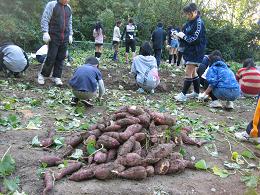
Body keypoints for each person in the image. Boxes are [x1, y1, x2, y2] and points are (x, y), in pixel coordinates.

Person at [174, 3, 206, 101]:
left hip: (196, 51)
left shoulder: (199, 23)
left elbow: (194, 39)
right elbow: (186, 38)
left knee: (188, 72)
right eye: (186, 14)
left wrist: (183, 36)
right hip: (189, 51)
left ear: (195, 12)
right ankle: (196, 92)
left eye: (189, 14)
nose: (187, 16)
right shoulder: (189, 23)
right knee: (193, 73)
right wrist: (179, 36)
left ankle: (183, 95)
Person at [38, 0, 73, 86]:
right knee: (51, 56)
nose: (67, 0)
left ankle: (56, 77)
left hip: (64, 37)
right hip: (53, 36)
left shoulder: (68, 8)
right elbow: (45, 19)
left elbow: (70, 23)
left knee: (61, 58)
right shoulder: (52, 5)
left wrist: (70, 34)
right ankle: (42, 75)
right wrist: (45, 32)